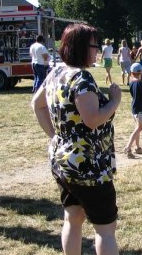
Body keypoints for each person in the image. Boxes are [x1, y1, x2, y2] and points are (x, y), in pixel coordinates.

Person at [31, 24, 121, 254]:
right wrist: (114, 101)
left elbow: (37, 105)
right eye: (95, 45)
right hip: (87, 165)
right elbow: (92, 119)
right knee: (105, 228)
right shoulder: (82, 78)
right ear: (82, 47)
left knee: (73, 217)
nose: (97, 51)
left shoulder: (56, 72)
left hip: (62, 161)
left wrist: (56, 136)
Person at [124, 63, 142, 158]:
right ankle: (128, 147)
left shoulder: (131, 82)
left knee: (137, 127)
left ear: (132, 72)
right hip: (140, 107)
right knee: (139, 128)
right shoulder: (141, 82)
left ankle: (137, 147)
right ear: (141, 72)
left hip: (134, 106)